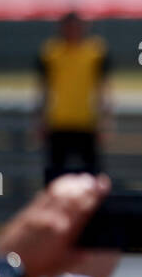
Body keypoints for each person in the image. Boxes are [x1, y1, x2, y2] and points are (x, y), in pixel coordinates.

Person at [37, 12, 111, 181]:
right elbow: (43, 88)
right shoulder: (51, 52)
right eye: (69, 27)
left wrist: (104, 120)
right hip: (59, 122)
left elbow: (104, 88)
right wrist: (41, 119)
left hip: (86, 122)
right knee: (55, 175)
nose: (73, 31)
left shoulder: (95, 51)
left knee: (92, 176)